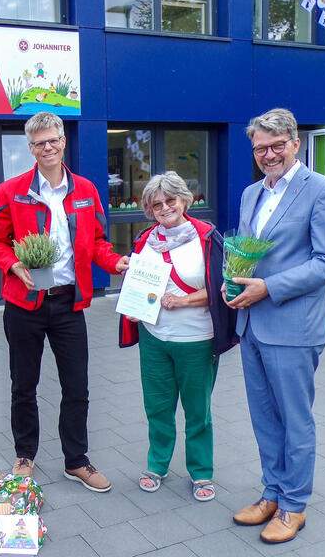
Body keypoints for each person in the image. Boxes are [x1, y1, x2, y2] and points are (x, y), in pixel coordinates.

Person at [0, 112, 129, 492]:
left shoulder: (85, 189)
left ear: (63, 141)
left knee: (77, 386)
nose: (47, 148)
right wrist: (13, 264)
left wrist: (118, 262)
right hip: (24, 305)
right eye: (38, 143)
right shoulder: (10, 190)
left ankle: (76, 460)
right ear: (30, 148)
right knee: (23, 385)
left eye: (52, 141)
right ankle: (24, 456)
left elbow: (98, 241)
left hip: (69, 304)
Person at [226, 108, 325, 543]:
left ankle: (294, 504)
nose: (269, 154)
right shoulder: (250, 193)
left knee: (295, 420)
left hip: (293, 327)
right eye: (261, 147)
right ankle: (272, 492)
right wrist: (233, 283)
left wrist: (268, 287)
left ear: (296, 143)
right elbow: (246, 252)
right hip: (252, 324)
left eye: (278, 145)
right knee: (264, 417)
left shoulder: (323, 191)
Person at [118, 171, 237, 501]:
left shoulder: (207, 238)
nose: (164, 208)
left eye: (170, 200)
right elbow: (141, 286)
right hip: (155, 338)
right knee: (157, 407)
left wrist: (184, 300)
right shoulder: (145, 240)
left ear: (185, 200)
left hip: (196, 339)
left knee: (198, 411)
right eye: (156, 204)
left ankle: (201, 472)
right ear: (149, 209)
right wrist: (134, 308)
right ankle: (157, 465)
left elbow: (222, 287)